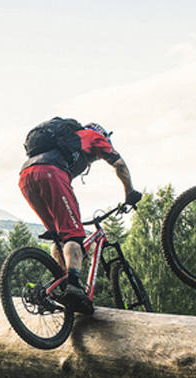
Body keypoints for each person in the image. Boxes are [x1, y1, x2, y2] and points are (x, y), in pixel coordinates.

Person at [19, 119, 141, 313]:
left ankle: (60, 287)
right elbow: (119, 165)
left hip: (26, 177)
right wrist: (130, 193)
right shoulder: (94, 136)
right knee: (73, 235)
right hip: (51, 172)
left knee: (59, 236)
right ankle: (74, 287)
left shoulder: (66, 144)